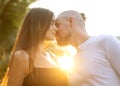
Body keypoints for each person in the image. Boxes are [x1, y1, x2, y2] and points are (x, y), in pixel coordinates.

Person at [0, 7, 69, 86]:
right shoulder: (22, 57)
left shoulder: (53, 57)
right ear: (38, 24)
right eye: (51, 23)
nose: (56, 29)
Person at [55, 10, 120, 86]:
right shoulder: (74, 60)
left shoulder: (105, 41)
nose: (55, 29)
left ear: (71, 21)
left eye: (57, 25)